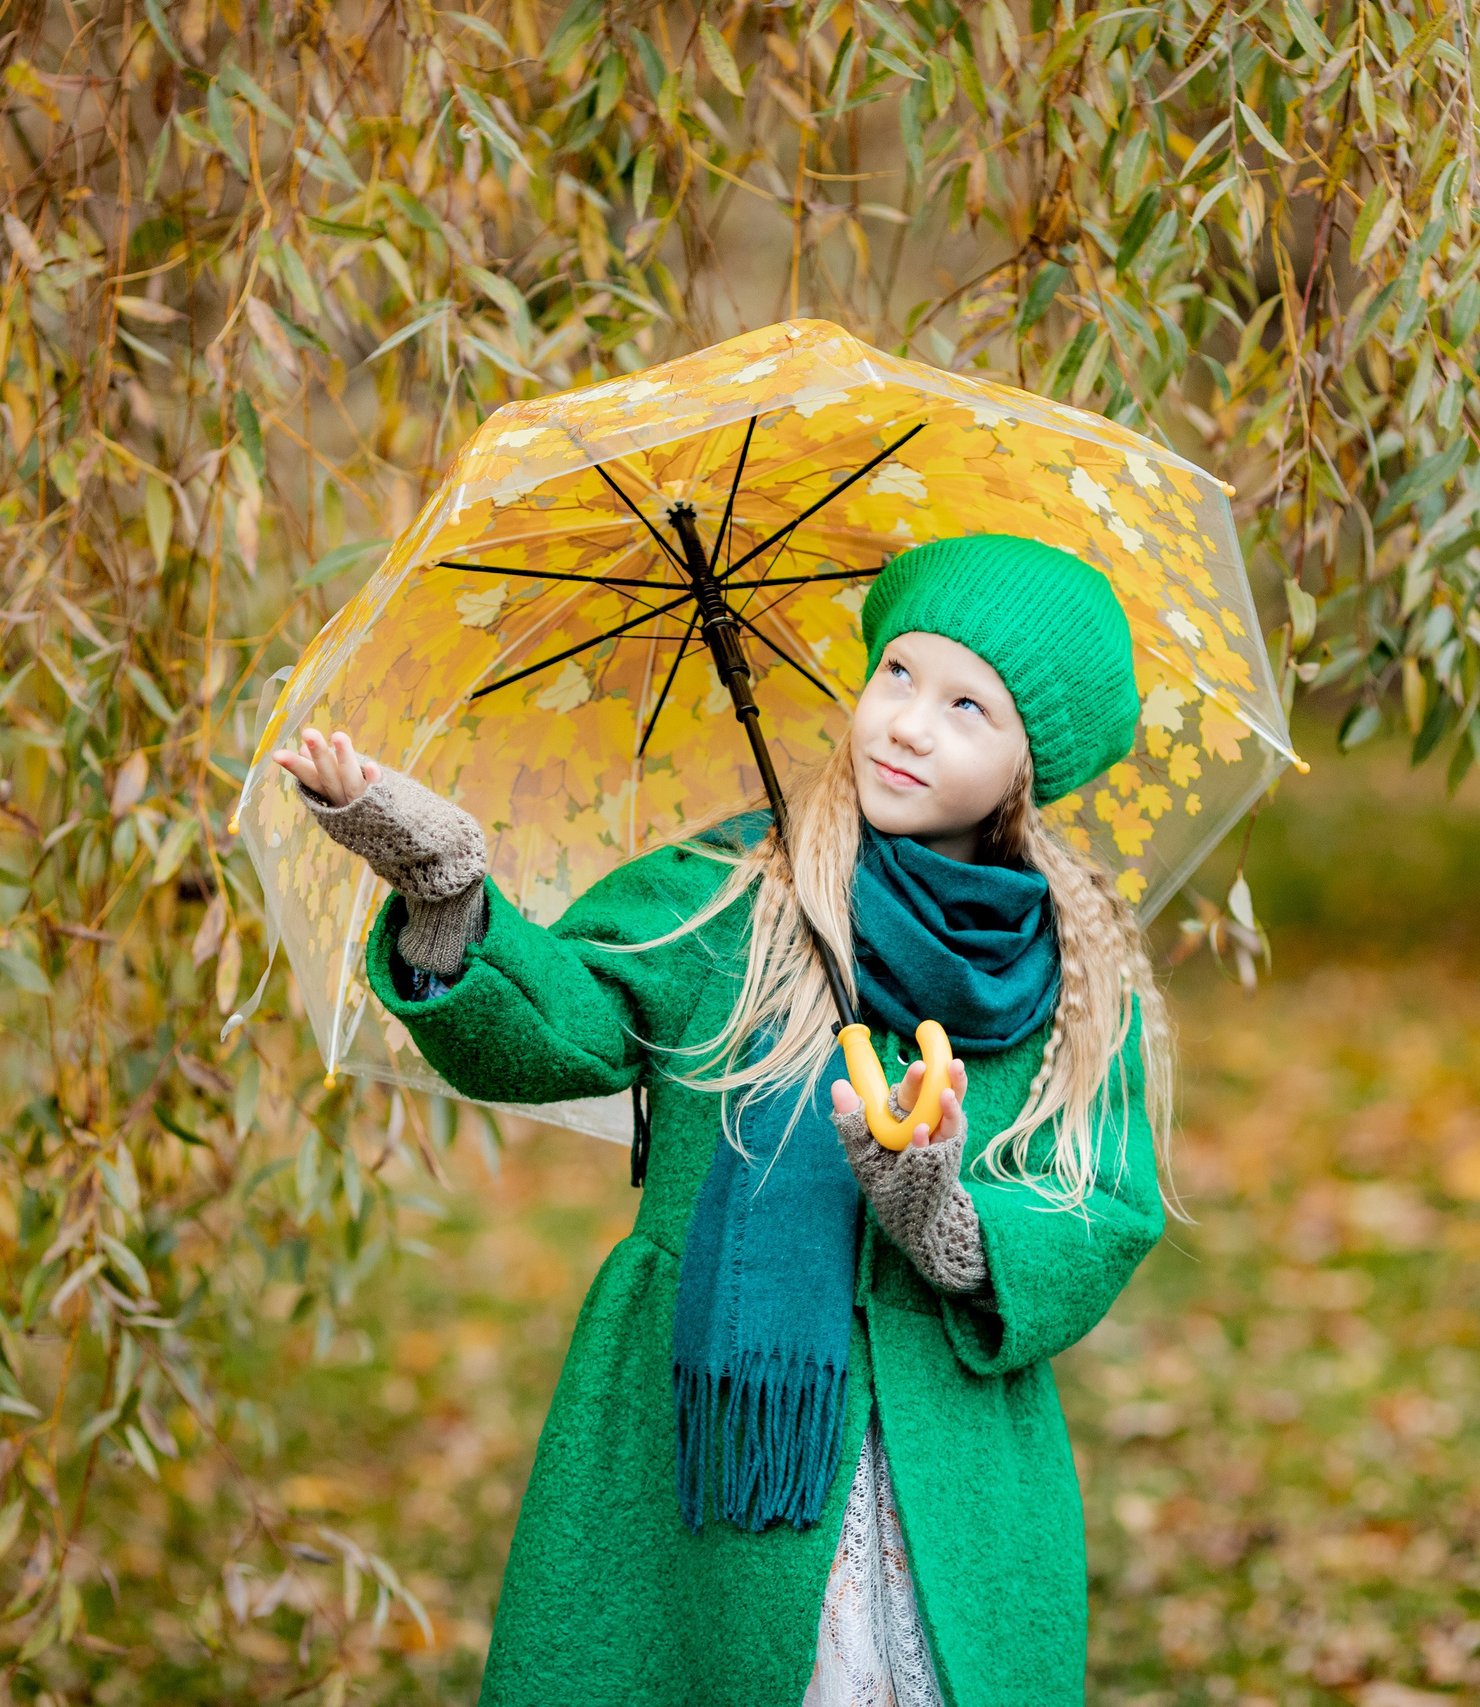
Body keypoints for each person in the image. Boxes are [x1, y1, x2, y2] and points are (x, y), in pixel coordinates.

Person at [271, 534, 1172, 1707]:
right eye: (896, 673)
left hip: (946, 1460)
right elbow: (570, 1026)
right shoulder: (739, 886)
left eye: (966, 708)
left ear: (1026, 766)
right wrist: (445, 888)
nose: (907, 722)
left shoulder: (1071, 974)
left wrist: (944, 1217)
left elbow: (1104, 1206)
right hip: (696, 1437)